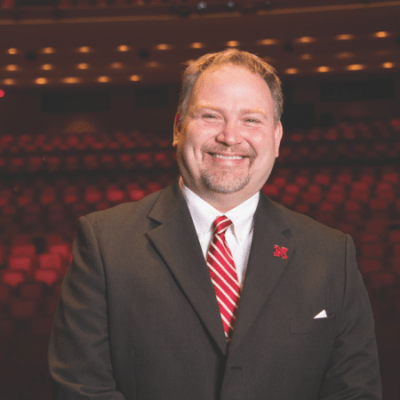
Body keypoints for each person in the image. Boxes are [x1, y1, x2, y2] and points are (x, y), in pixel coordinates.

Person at [48, 49, 381, 400]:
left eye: (251, 120)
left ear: (277, 137)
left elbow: (355, 391)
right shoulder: (104, 242)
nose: (230, 136)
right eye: (210, 116)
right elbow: (81, 389)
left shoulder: (331, 255)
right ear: (178, 127)